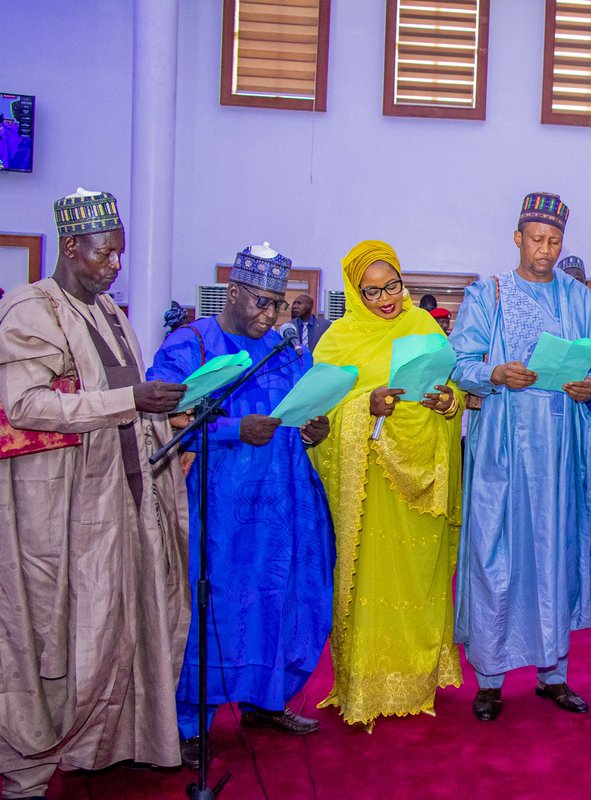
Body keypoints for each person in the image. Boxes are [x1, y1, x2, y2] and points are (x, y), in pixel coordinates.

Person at [0, 189, 190, 798]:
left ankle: (103, 744)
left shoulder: (110, 311)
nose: (114, 265)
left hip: (124, 494)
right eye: (104, 254)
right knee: (56, 635)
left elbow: (126, 394)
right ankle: (28, 768)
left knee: (120, 625)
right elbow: (24, 404)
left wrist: (168, 411)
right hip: (58, 506)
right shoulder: (31, 309)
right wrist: (131, 400)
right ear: (70, 246)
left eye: (119, 254)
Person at [149, 243, 334, 767]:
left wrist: (314, 429)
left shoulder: (285, 350)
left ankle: (265, 700)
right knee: (214, 605)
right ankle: (187, 723)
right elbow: (166, 423)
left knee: (281, 597)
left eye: (277, 304)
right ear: (232, 292)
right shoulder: (191, 345)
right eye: (261, 302)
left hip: (283, 501)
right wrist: (234, 430)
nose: (271, 316)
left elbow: (300, 409)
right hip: (217, 509)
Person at [450, 191, 591, 722]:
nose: (545, 250)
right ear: (518, 237)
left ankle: (554, 675)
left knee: (554, 555)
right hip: (502, 447)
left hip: (561, 450)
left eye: (554, 241)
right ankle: (490, 679)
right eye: (537, 239)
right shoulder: (488, 295)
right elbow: (459, 362)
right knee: (495, 555)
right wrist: (495, 373)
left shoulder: (582, 301)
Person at [310, 241, 464, 729]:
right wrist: (365, 405)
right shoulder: (338, 339)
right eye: (372, 291)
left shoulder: (424, 326)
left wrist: (449, 402)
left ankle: (416, 682)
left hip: (423, 478)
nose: (385, 299)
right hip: (369, 481)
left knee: (420, 581)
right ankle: (366, 686)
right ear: (355, 294)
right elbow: (317, 412)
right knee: (369, 581)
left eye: (392, 285)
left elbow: (452, 387)